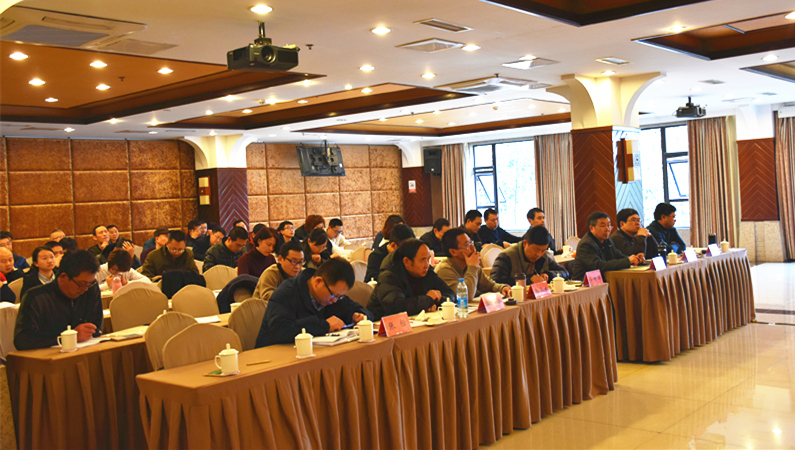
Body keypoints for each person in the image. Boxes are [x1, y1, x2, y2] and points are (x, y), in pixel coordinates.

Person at [255, 258, 372, 348]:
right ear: (318, 282)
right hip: (275, 357)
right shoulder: (287, 293)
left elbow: (359, 309)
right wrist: (324, 325)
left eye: (340, 297)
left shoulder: (333, 295)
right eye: (334, 295)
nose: (335, 300)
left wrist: (359, 316)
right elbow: (280, 330)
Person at [14, 250, 103, 351]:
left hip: (86, 351)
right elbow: (22, 340)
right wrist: (65, 338)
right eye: (82, 284)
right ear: (63, 277)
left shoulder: (91, 289)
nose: (86, 289)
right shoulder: (36, 297)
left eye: (89, 283)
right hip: (47, 356)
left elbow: (96, 327)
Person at [367, 239, 454, 320]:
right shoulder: (389, 276)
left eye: (428, 259)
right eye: (423, 260)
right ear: (407, 262)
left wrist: (433, 303)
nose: (427, 265)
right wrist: (427, 300)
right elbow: (397, 307)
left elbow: (449, 294)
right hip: (381, 325)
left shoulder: (426, 271)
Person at [436, 227, 510, 301]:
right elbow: (465, 297)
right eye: (467, 245)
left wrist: (502, 288)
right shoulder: (444, 270)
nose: (473, 248)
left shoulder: (470, 264)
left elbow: (490, 285)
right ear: (453, 252)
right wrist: (472, 267)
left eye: (471, 243)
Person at [572, 212, 644, 280]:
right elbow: (599, 266)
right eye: (603, 226)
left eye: (609, 225)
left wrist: (634, 258)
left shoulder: (607, 240)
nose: (607, 229)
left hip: (604, 279)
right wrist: (628, 261)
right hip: (585, 283)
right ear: (592, 228)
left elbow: (618, 255)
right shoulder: (586, 244)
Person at [491, 226, 569, 286]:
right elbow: (495, 283)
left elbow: (565, 272)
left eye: (543, 250)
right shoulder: (506, 256)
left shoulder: (543, 256)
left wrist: (549, 275)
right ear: (525, 244)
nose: (539, 254)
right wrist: (528, 280)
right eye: (536, 249)